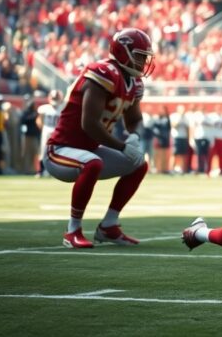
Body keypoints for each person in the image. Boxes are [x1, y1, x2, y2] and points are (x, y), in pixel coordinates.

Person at [44, 28, 152, 249]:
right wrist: (122, 146)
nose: (143, 62)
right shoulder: (102, 73)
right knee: (92, 163)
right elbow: (89, 124)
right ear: (123, 52)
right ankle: (72, 230)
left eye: (145, 57)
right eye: (139, 56)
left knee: (139, 164)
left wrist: (134, 137)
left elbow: (134, 119)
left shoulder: (134, 82)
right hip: (60, 149)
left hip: (89, 149)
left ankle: (109, 225)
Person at [37, 90, 64, 177]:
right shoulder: (44, 108)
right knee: (43, 150)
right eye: (53, 98)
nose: (55, 100)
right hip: (47, 130)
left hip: (57, 132)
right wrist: (43, 129)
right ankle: (41, 171)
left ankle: (54, 171)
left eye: (56, 98)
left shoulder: (63, 108)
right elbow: (39, 120)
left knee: (57, 151)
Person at [20, 99, 41, 174]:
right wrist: (34, 116)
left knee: (35, 153)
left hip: (34, 136)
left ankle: (34, 169)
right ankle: (26, 170)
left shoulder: (35, 113)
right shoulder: (26, 113)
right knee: (26, 153)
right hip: (27, 137)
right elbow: (24, 120)